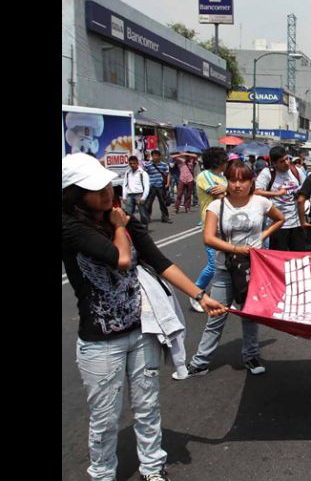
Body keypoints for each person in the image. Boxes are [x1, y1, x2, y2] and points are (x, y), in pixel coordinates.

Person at [62, 153, 226, 481]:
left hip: (141, 332)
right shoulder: (70, 228)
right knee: (105, 420)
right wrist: (120, 227)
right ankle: (103, 475)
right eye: (96, 189)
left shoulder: (123, 217)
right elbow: (121, 259)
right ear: (75, 195)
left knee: (148, 407)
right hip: (99, 343)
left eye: (107, 183)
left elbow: (160, 261)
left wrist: (200, 295)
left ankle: (153, 468)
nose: (107, 191)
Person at [183, 160, 285, 379]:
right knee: (216, 317)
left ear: (251, 182)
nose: (238, 184)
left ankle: (251, 356)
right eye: (233, 179)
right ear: (226, 181)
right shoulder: (216, 206)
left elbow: (279, 219)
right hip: (224, 269)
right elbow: (208, 237)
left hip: (253, 268)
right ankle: (200, 363)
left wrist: (261, 237)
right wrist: (236, 248)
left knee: (250, 316)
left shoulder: (261, 202)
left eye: (243, 179)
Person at [189, 147, 228, 313]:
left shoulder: (222, 177)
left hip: (225, 224)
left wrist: (227, 189)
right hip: (211, 226)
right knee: (213, 265)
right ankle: (195, 292)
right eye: (225, 159)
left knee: (225, 264)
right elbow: (218, 195)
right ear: (218, 161)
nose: (227, 163)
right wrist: (228, 190)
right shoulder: (204, 176)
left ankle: (222, 296)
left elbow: (229, 194)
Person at [254, 146, 306, 252]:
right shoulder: (268, 173)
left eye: (287, 159)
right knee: (278, 258)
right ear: (274, 163)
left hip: (296, 223)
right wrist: (277, 193)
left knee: (298, 258)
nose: (287, 163)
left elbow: (305, 188)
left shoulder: (296, 171)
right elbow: (256, 191)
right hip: (278, 224)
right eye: (282, 161)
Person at [144, 150, 173, 224]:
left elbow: (168, 174)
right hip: (151, 186)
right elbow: (144, 174)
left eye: (156, 155)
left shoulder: (164, 165)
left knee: (162, 202)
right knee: (149, 203)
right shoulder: (148, 165)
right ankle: (147, 217)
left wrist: (167, 183)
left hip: (160, 185)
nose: (155, 157)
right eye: (153, 155)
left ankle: (165, 217)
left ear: (159, 156)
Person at [122, 155, 150, 225]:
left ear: (137, 163)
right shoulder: (127, 173)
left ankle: (144, 227)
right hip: (130, 195)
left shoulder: (143, 173)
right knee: (128, 213)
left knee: (143, 213)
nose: (132, 165)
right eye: (130, 163)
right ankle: (130, 228)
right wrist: (124, 196)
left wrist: (143, 198)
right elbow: (125, 185)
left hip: (139, 195)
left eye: (134, 163)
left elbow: (147, 187)